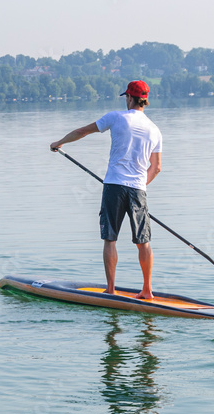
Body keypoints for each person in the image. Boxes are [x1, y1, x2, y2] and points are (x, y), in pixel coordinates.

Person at [50, 80, 162, 299]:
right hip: (139, 190)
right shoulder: (155, 130)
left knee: (110, 239)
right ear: (145, 101)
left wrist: (59, 143)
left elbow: (82, 131)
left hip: (114, 187)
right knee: (143, 241)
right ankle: (147, 290)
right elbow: (156, 168)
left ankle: (110, 289)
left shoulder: (116, 117)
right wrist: (139, 187)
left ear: (129, 98)